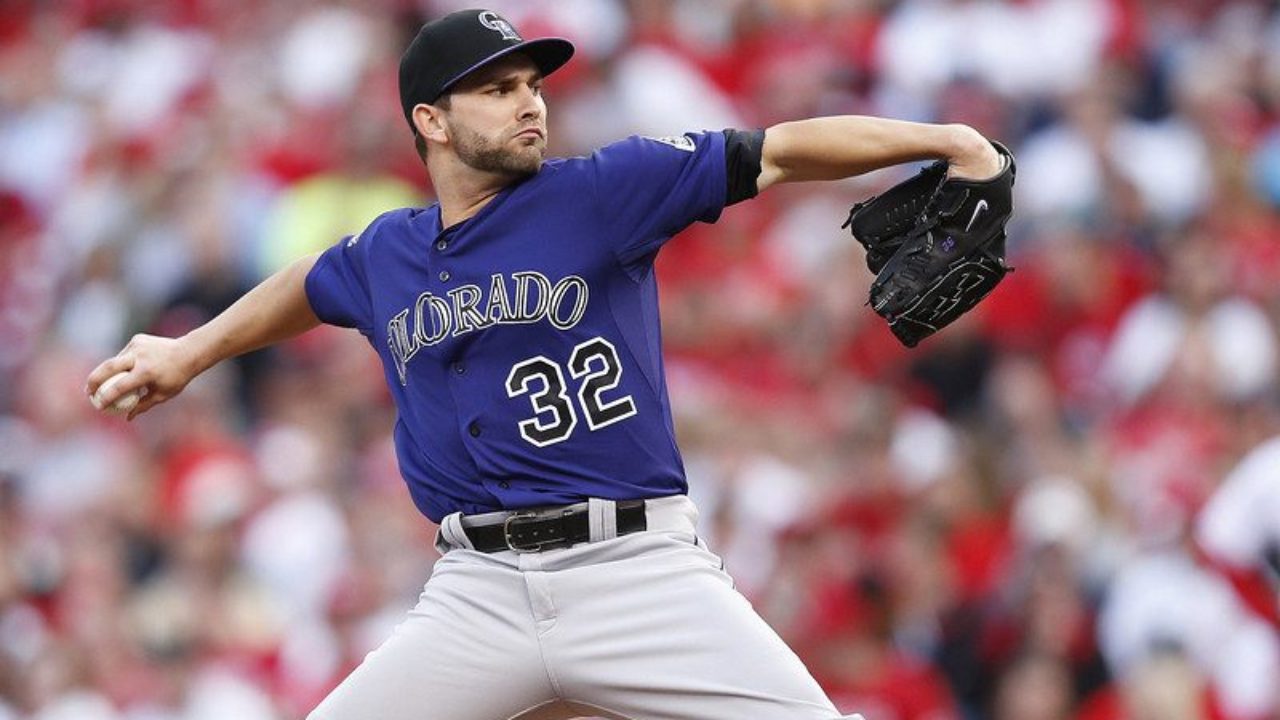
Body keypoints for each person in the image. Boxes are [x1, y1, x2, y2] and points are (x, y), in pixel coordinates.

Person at [86, 9, 1003, 720]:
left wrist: (947, 141)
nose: (529, 101)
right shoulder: (387, 254)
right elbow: (309, 282)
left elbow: (778, 150)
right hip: (475, 590)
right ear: (430, 121)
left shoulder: (603, 191)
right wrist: (189, 351)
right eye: (496, 88)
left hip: (637, 569)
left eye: (533, 82)